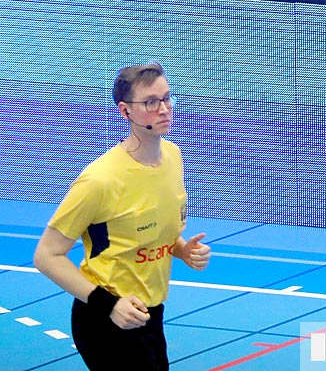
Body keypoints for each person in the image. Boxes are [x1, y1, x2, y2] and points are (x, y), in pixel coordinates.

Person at [33, 62, 212, 370]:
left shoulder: (172, 157)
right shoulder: (100, 181)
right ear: (125, 111)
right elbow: (47, 256)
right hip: (107, 318)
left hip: (151, 313)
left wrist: (180, 248)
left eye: (167, 98)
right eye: (151, 102)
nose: (164, 109)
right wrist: (110, 305)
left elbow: (149, 229)